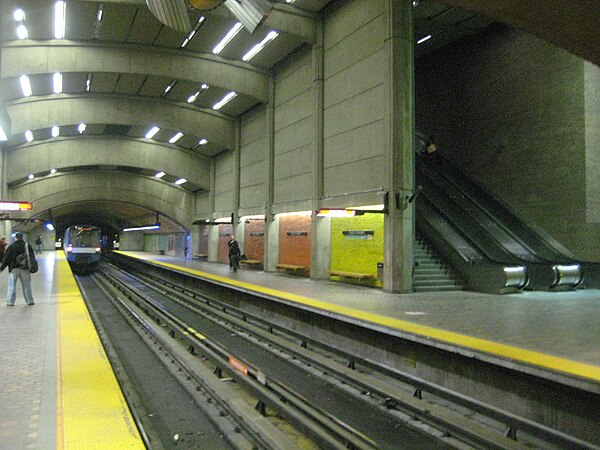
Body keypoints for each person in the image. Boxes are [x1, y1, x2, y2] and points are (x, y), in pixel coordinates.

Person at [0, 232, 36, 306]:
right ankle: (29, 300)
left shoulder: (11, 246)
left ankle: (10, 302)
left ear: (15, 238)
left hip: (13, 269)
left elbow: (6, 258)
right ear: (22, 238)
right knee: (27, 285)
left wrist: (2, 268)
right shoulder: (27, 245)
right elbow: (32, 257)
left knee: (12, 285)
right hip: (25, 268)